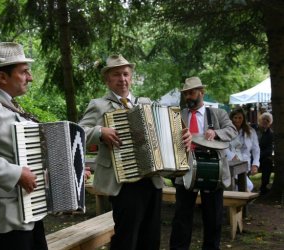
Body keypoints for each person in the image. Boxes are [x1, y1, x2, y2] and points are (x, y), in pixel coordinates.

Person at [78, 54, 192, 250]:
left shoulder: (146, 103)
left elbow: (167, 131)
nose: (122, 79)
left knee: (151, 238)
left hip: (152, 179)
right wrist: (100, 131)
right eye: (116, 75)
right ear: (107, 79)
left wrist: (183, 137)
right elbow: (78, 133)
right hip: (122, 182)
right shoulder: (98, 105)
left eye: (125, 74)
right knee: (127, 238)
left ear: (130, 77)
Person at [0, 42, 48, 250]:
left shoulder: (8, 104)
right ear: (2, 77)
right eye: (24, 72)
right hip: (6, 218)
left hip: (26, 211)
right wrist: (16, 174)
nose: (30, 77)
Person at [170, 76, 237, 250]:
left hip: (212, 171)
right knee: (181, 217)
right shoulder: (178, 115)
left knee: (213, 218)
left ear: (202, 92)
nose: (188, 97)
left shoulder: (218, 113)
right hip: (185, 169)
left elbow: (232, 130)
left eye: (191, 93)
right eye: (186, 94)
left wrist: (216, 133)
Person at [226, 107, 260, 191]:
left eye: (240, 118)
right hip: (230, 163)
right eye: (235, 118)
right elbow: (223, 146)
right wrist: (232, 156)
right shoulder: (226, 131)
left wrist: (255, 164)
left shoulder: (251, 131)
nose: (237, 120)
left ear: (243, 118)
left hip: (245, 164)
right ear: (231, 118)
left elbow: (256, 149)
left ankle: (239, 202)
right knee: (246, 186)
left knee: (242, 186)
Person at [257, 112, 274, 195]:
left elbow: (269, 150)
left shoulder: (271, 134)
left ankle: (263, 187)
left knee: (268, 162)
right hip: (250, 155)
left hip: (262, 157)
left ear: (269, 123)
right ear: (260, 120)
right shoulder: (254, 130)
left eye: (267, 120)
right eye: (263, 119)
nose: (265, 121)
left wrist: (259, 156)